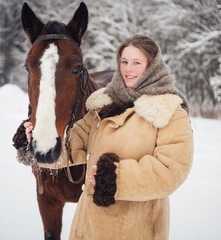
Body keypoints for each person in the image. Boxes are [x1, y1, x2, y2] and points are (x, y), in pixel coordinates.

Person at [24, 35, 194, 239]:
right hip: (87, 228)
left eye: (136, 63)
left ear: (152, 66)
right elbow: (75, 145)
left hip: (134, 230)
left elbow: (171, 171)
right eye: (124, 62)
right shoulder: (103, 105)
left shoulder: (169, 110)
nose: (128, 69)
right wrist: (43, 141)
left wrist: (112, 178)